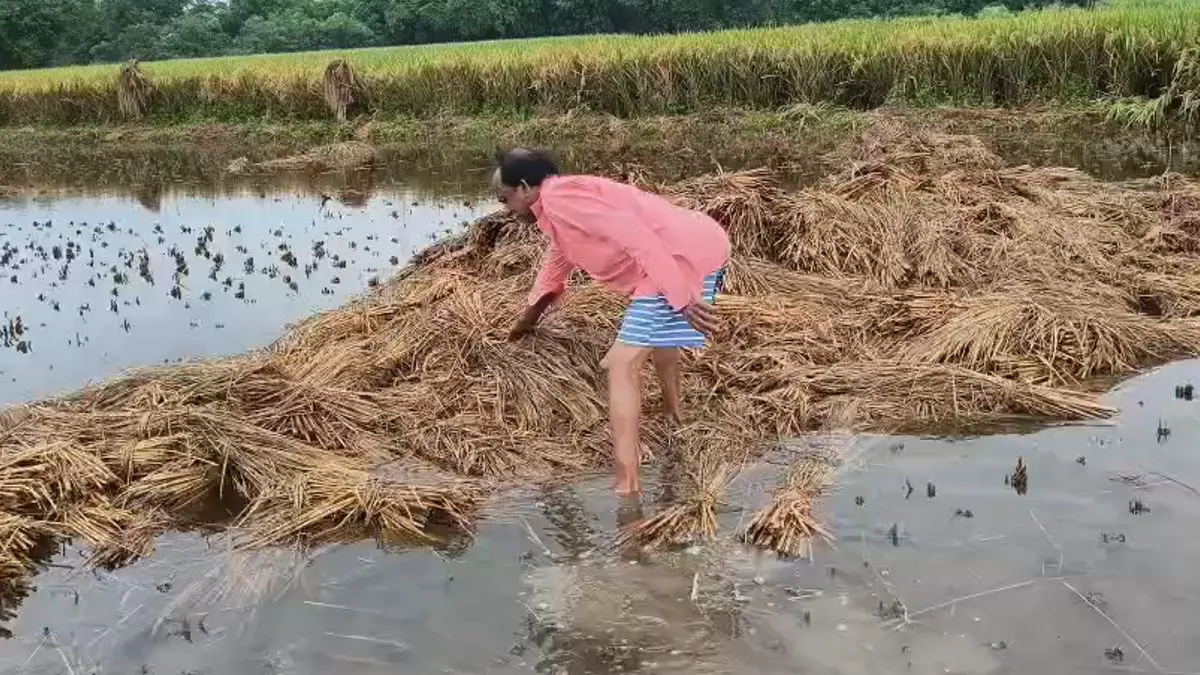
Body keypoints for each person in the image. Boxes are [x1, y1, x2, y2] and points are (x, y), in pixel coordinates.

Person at [493, 148, 730, 495]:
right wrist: (525, 323)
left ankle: (627, 485)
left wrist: (680, 299)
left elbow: (638, 237)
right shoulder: (562, 210)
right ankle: (674, 415)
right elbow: (555, 270)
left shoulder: (560, 198)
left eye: (506, 199)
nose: (508, 211)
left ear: (526, 187)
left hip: (677, 258)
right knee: (658, 336)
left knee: (621, 366)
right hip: (699, 245)